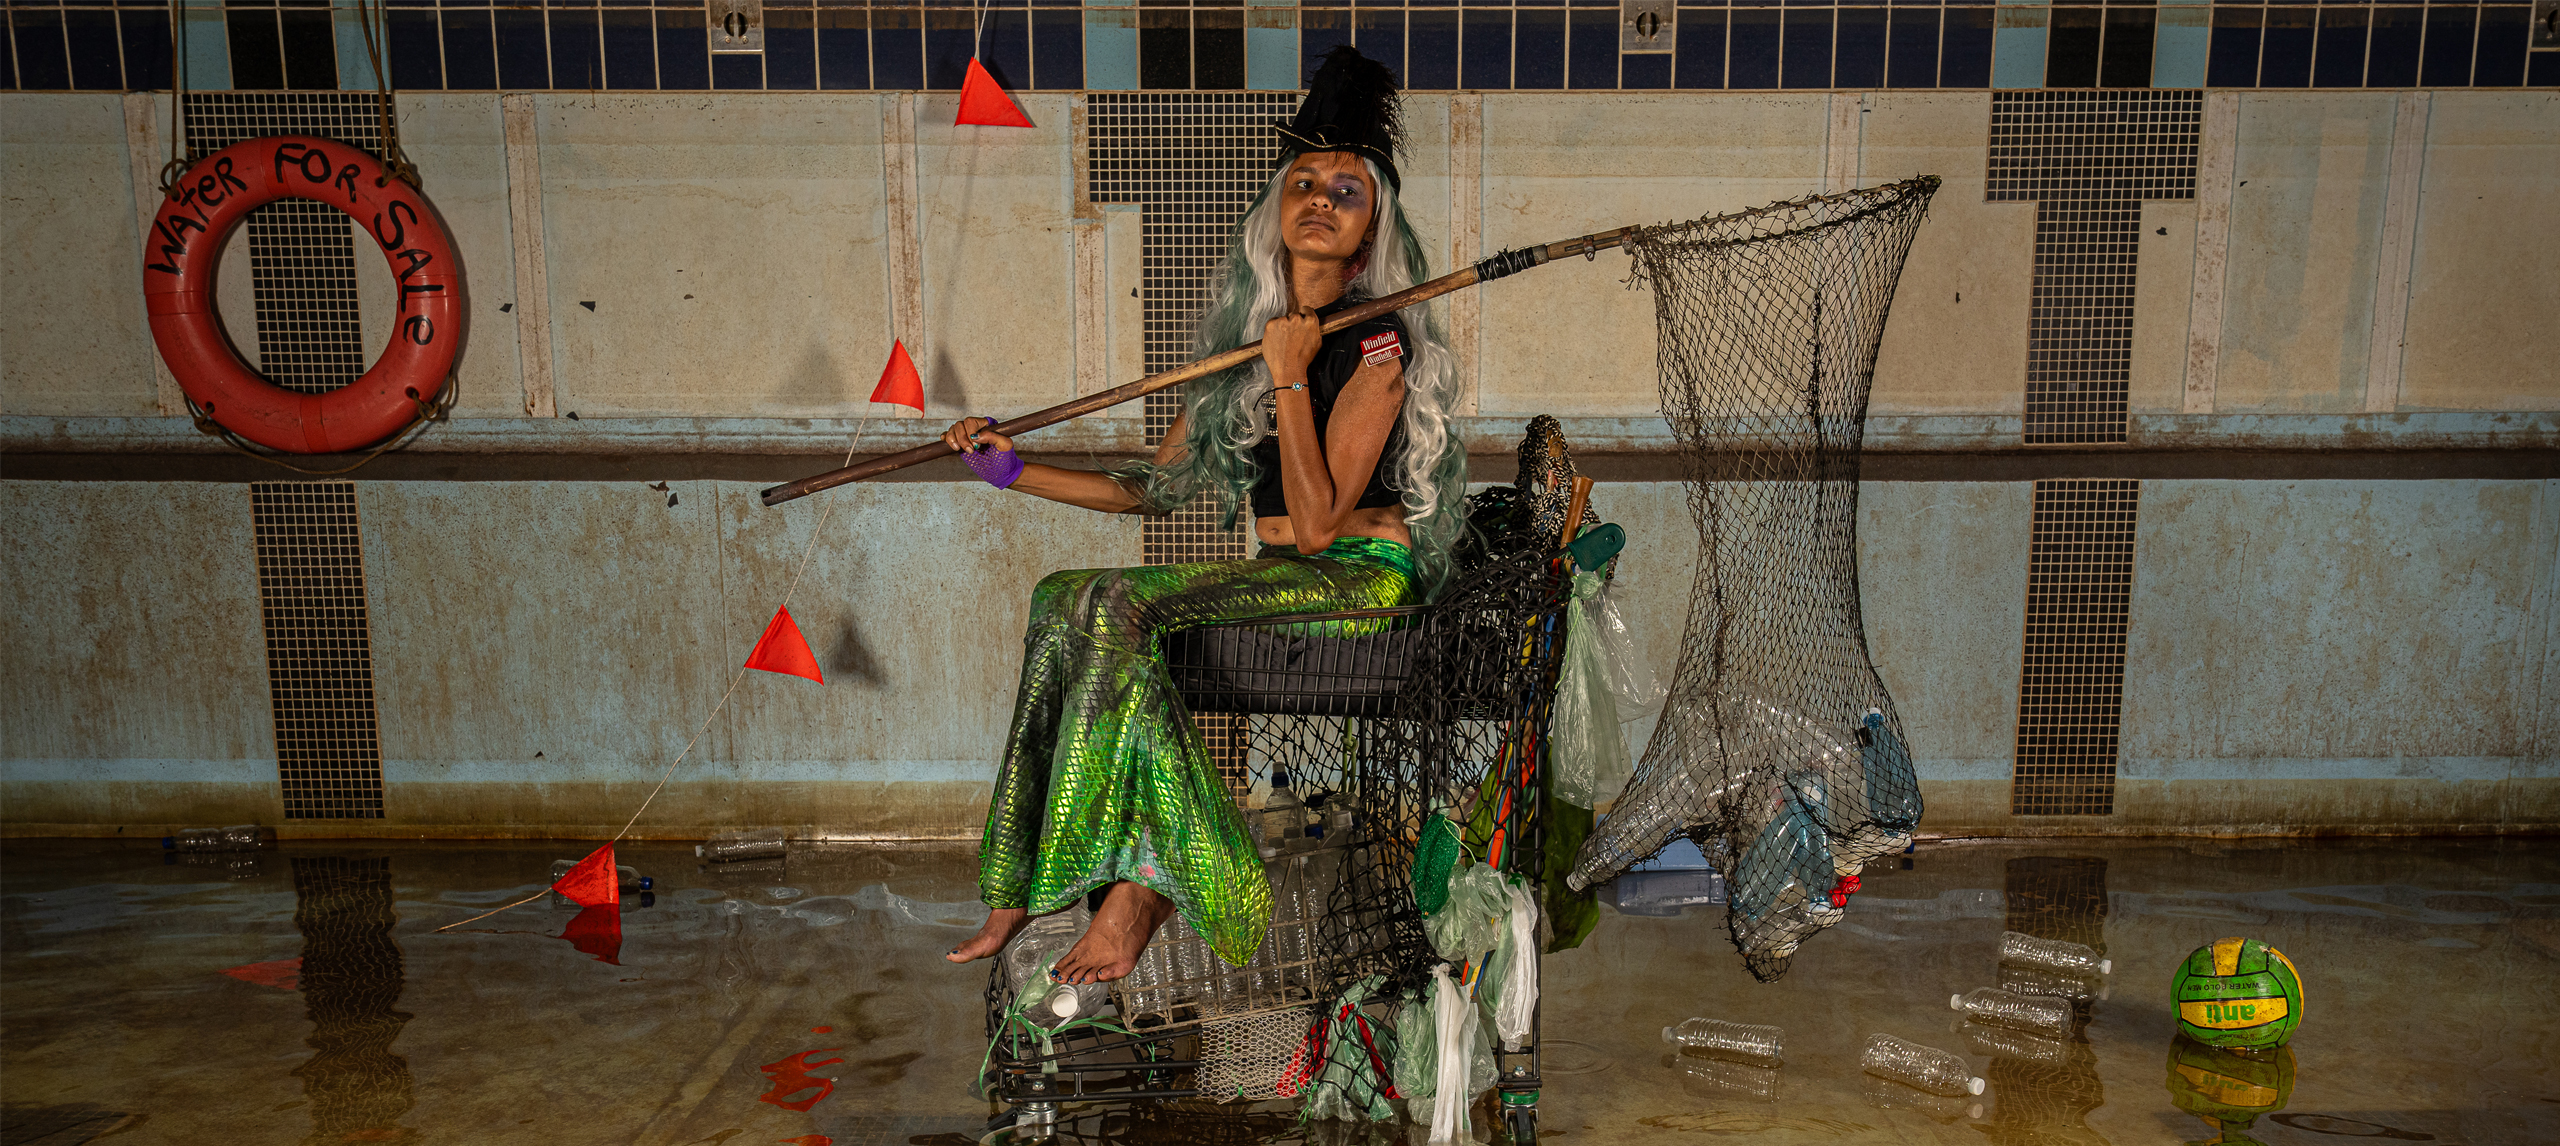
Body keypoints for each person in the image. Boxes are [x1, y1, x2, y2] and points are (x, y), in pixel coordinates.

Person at [939, 46, 1466, 986]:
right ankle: (1019, 878)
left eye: (1346, 190)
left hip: (1357, 580)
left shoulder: (1380, 342)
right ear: (1274, 208)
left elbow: (1313, 526)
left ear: (1375, 222)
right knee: (1067, 593)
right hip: (1281, 581)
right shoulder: (1242, 343)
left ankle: (1154, 893)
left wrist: (1294, 371)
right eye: (1302, 181)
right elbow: (1148, 488)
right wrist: (1009, 469)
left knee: (1117, 609)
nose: (1318, 199)